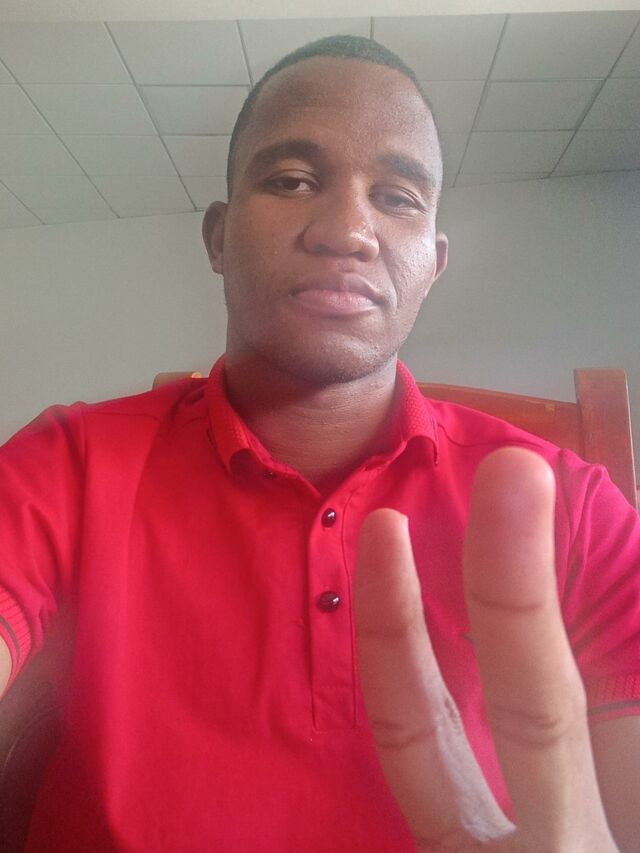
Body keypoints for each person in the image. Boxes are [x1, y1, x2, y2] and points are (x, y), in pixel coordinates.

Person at [0, 34, 638, 852]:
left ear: (434, 263)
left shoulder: (577, 506)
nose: (348, 230)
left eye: (398, 197)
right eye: (293, 180)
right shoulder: (71, 463)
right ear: (219, 237)